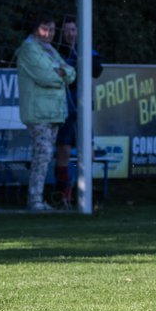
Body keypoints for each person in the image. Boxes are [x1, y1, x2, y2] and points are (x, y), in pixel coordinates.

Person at [15, 16, 76, 212]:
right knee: (42, 155)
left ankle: (37, 198)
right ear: (35, 30)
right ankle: (34, 200)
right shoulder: (29, 49)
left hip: (53, 112)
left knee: (45, 156)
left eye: (51, 30)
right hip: (38, 112)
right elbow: (45, 77)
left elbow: (71, 72)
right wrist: (60, 74)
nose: (48, 33)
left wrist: (61, 73)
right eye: (44, 29)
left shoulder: (49, 49)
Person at [53, 17, 103, 207]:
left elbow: (97, 71)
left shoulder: (86, 49)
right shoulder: (56, 52)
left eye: (73, 30)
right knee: (64, 150)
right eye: (66, 30)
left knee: (88, 151)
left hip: (82, 105)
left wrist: (86, 57)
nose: (70, 34)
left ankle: (82, 192)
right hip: (64, 106)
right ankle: (62, 193)